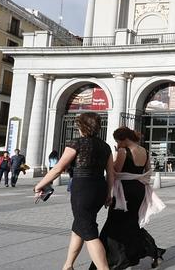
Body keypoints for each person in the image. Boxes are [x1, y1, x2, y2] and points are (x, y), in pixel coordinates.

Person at [34, 112, 114, 270]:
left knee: (88, 230)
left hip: (82, 188)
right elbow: (111, 173)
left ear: (82, 126)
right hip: (99, 187)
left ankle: (103, 268)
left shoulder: (76, 143)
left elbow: (58, 168)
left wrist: (39, 184)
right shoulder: (105, 146)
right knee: (80, 225)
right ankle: (68, 265)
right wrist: (109, 193)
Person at [92, 127, 165, 269]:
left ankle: (115, 260)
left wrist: (114, 155)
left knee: (113, 225)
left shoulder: (123, 151)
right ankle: (154, 252)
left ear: (124, 139)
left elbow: (115, 171)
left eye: (118, 142)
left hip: (124, 191)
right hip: (139, 189)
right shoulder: (145, 151)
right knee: (132, 223)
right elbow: (148, 170)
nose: (118, 144)